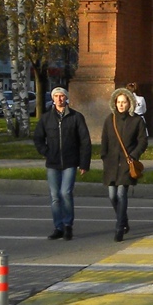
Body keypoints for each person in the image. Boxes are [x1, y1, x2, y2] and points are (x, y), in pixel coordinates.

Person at [33, 87, 91, 240]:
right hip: (52, 163)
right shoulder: (46, 118)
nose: (59, 99)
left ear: (66, 98)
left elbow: (85, 141)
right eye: (56, 96)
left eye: (62, 96)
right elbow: (38, 138)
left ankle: (68, 225)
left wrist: (84, 163)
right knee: (55, 196)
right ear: (53, 99)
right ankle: (58, 227)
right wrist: (46, 151)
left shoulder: (76, 117)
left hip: (70, 161)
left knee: (65, 193)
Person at [99, 86, 148, 242]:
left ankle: (119, 227)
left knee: (121, 194)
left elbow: (143, 141)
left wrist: (133, 155)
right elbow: (104, 140)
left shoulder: (137, 121)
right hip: (111, 163)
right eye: (118, 102)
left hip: (127, 163)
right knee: (112, 195)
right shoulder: (110, 119)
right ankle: (124, 219)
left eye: (124, 102)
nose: (121, 105)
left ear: (129, 103)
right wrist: (104, 156)